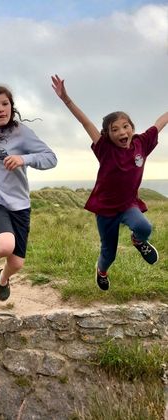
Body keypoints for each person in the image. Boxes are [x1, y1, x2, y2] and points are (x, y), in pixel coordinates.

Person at [51, 74, 168, 291]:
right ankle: (101, 271)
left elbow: (160, 123)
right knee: (109, 253)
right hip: (106, 210)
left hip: (128, 205)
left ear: (132, 127)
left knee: (144, 226)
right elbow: (85, 122)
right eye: (115, 129)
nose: (122, 132)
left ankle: (138, 241)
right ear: (107, 134)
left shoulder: (142, 143)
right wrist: (66, 99)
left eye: (126, 126)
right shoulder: (105, 148)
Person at [0, 85, 57, 301]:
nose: (1, 110)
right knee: (5, 245)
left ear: (11, 106)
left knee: (17, 263)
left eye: (5, 104)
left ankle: (4, 279)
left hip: (19, 204)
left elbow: (51, 158)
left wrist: (24, 159)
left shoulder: (22, 132)